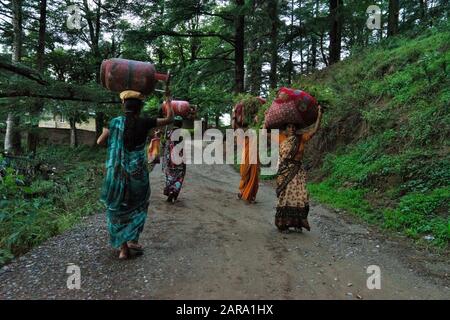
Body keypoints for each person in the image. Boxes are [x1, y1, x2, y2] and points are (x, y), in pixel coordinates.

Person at [97, 90, 174, 260]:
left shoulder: (115, 123)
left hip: (118, 174)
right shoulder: (145, 122)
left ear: (124, 106)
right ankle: (133, 240)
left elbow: (100, 142)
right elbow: (169, 119)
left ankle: (123, 248)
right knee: (138, 206)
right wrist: (168, 101)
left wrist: (109, 137)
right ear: (140, 107)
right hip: (138, 173)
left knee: (118, 208)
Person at [275, 105, 323, 233]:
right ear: (285, 128)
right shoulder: (280, 138)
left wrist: (319, 115)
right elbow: (264, 134)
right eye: (289, 127)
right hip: (285, 172)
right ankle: (283, 224)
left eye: (293, 126)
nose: (291, 129)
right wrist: (262, 121)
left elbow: (315, 130)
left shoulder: (301, 138)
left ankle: (297, 223)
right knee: (286, 196)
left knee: (301, 197)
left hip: (298, 171)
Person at [162, 116, 186, 203]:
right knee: (179, 176)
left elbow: (164, 144)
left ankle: (169, 191)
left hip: (169, 159)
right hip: (179, 159)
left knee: (169, 175)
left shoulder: (168, 132)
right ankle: (174, 191)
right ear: (181, 124)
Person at [238, 117, 260, 204]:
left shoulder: (252, 133)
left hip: (253, 157)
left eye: (245, 128)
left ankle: (250, 196)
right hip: (246, 157)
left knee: (253, 177)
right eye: (243, 128)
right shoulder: (243, 134)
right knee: (245, 175)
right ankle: (242, 192)